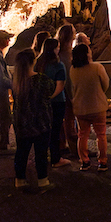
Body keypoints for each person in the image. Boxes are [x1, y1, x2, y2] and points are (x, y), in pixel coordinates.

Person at [11, 48, 57, 191]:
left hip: (22, 122)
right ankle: (43, 181)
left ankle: (20, 180)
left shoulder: (17, 81)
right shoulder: (41, 79)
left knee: (21, 152)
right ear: (33, 61)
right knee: (41, 153)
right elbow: (51, 91)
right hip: (40, 121)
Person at [69, 43, 110, 171]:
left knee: (82, 135)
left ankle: (84, 162)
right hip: (97, 106)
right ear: (87, 54)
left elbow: (72, 88)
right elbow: (106, 84)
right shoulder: (97, 67)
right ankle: (102, 162)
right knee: (101, 135)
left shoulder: (72, 70)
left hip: (80, 108)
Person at [34, 38, 71, 169]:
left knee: (43, 129)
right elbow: (60, 85)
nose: (59, 49)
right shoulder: (58, 65)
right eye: (57, 47)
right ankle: (56, 158)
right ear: (54, 49)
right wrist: (50, 97)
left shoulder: (38, 64)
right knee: (55, 130)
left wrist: (42, 98)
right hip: (57, 102)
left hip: (40, 101)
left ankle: (43, 156)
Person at [56, 24, 78, 159]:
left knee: (60, 122)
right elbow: (69, 79)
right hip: (67, 94)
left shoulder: (57, 54)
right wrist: (73, 96)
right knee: (70, 122)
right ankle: (76, 150)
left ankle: (61, 146)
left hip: (58, 95)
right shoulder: (67, 56)